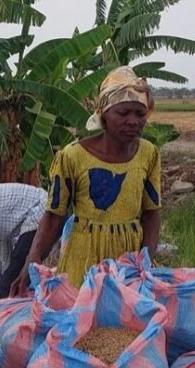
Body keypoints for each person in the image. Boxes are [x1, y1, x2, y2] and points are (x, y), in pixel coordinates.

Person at [11, 66, 162, 295]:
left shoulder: (148, 154)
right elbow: (54, 214)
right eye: (123, 113)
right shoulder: (72, 157)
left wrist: (145, 262)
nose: (133, 121)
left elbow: (151, 212)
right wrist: (31, 261)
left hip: (127, 262)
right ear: (103, 114)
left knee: (121, 325)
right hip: (83, 258)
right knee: (80, 319)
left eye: (140, 114)